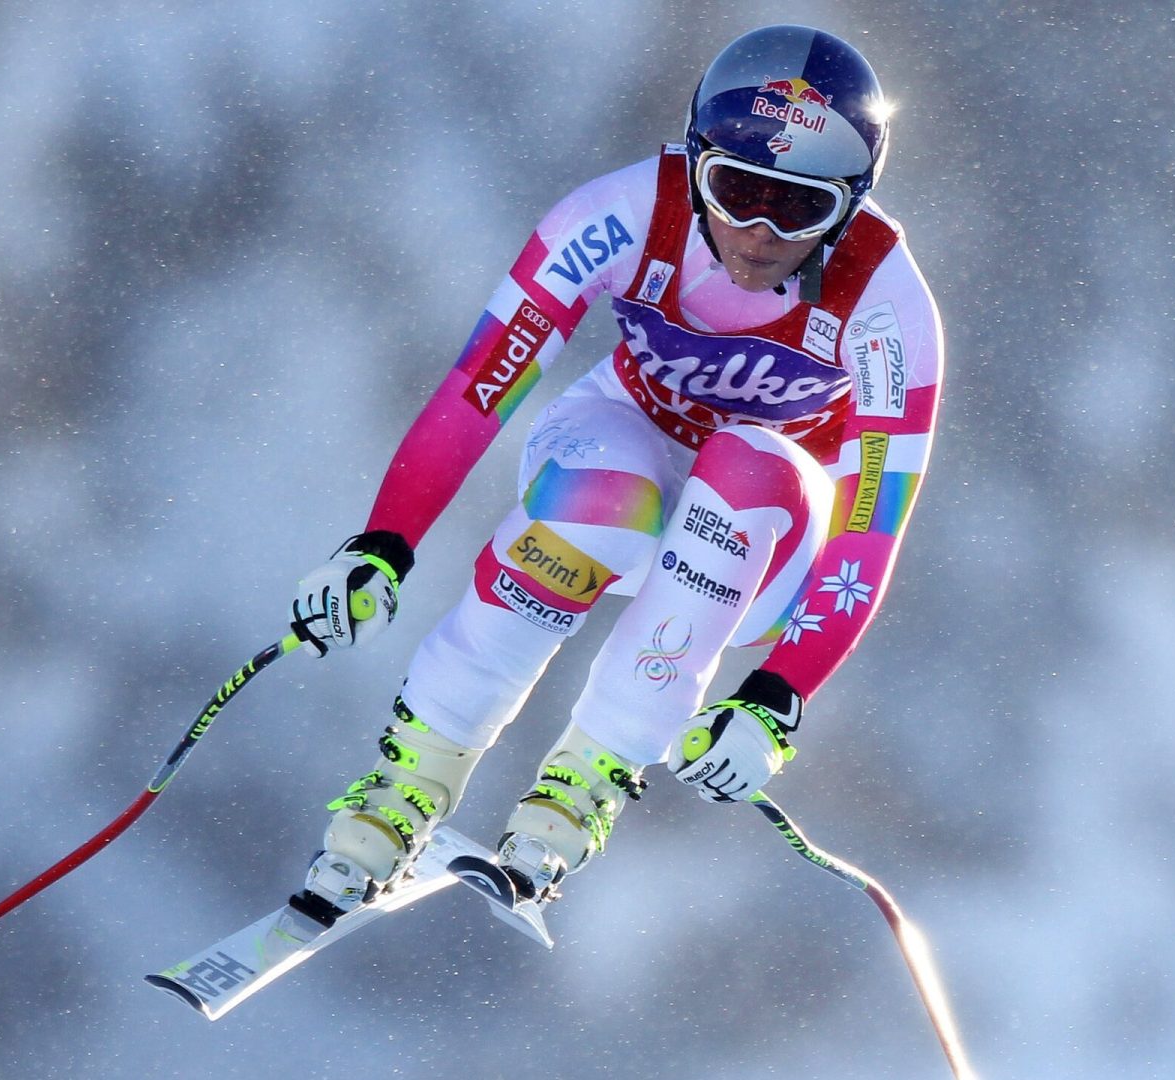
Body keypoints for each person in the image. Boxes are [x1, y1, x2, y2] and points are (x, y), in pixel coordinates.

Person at [285, 23, 943, 919]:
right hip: (617, 439)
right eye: (735, 189)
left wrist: (776, 697)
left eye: (796, 210)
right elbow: (479, 390)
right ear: (694, 161)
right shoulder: (624, 214)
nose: (755, 233)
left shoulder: (888, 308)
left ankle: (580, 788)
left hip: (766, 536)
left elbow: (871, 523)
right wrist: (382, 544)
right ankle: (407, 785)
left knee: (749, 461)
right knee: (604, 493)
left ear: (850, 207)